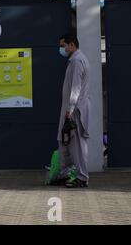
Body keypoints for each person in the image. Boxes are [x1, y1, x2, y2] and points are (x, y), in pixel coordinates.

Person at [56, 34, 91, 188]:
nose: (61, 49)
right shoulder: (74, 60)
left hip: (75, 109)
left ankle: (82, 177)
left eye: (63, 46)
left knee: (76, 144)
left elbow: (76, 88)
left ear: (71, 45)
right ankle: (65, 174)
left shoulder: (77, 61)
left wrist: (70, 109)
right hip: (71, 108)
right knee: (65, 143)